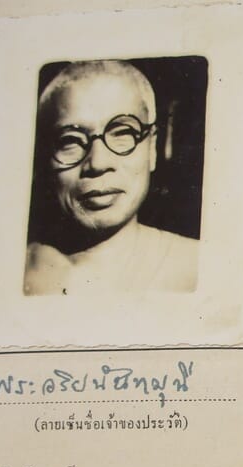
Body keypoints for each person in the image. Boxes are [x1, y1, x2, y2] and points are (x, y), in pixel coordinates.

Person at [24, 60, 198, 295]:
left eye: (122, 133)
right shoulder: (15, 274)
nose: (98, 163)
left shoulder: (200, 266)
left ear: (152, 149)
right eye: (70, 140)